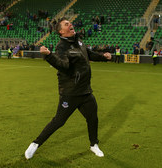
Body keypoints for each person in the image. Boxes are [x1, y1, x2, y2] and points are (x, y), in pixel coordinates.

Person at [25, 17, 112, 159]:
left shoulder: (78, 41)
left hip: (85, 91)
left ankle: (93, 145)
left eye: (70, 23)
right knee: (59, 121)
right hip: (70, 92)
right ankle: (35, 144)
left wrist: (104, 57)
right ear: (61, 31)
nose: (70, 24)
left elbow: (89, 54)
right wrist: (49, 56)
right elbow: (63, 66)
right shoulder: (62, 46)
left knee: (92, 118)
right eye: (66, 24)